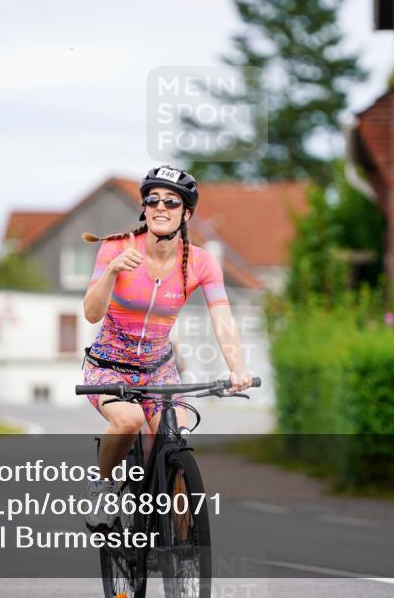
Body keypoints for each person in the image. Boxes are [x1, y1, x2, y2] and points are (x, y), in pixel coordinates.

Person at [80, 166, 253, 528]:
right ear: (143, 208)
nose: (161, 207)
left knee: (176, 438)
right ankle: (103, 485)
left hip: (159, 369)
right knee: (129, 421)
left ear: (186, 213)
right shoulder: (116, 248)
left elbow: (222, 318)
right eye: (152, 200)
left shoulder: (202, 262)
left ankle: (178, 538)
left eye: (171, 202)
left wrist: (237, 367)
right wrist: (111, 272)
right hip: (109, 367)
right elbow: (92, 314)